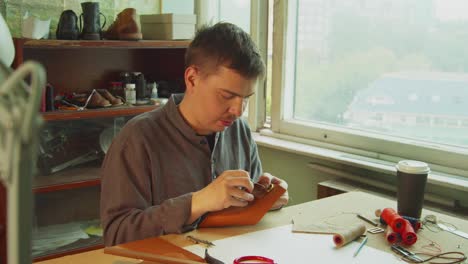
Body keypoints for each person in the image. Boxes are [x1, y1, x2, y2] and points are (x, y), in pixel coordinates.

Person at [100, 22, 289, 246]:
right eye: (227, 95)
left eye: (246, 97)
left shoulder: (239, 130)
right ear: (192, 79)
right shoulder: (136, 139)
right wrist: (196, 203)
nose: (238, 111)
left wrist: (264, 199)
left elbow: (244, 213)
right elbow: (117, 235)